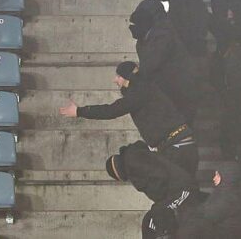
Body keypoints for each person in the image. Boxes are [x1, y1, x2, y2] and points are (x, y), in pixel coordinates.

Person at [60, 61, 198, 176]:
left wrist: (79, 111)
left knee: (182, 194)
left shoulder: (138, 93)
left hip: (177, 147)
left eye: (118, 76)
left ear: (127, 77)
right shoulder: (145, 88)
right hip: (177, 145)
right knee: (186, 194)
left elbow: (111, 111)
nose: (115, 80)